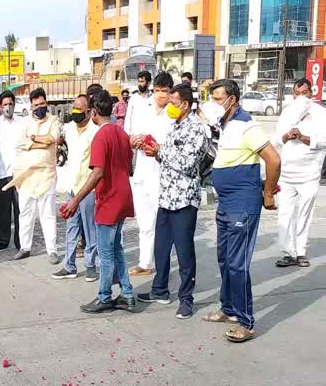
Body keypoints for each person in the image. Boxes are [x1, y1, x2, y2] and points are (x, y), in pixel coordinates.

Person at [201, 79, 280, 343]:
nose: (213, 104)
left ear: (231, 99)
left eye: (216, 98)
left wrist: (267, 193)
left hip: (242, 205)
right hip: (226, 204)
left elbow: (273, 159)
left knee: (237, 264)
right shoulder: (226, 125)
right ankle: (229, 309)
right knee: (224, 259)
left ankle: (246, 322)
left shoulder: (247, 126)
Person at [137, 84, 209, 319]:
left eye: (174, 103)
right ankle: (160, 289)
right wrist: (156, 152)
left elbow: (187, 163)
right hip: (167, 196)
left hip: (184, 198)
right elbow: (170, 157)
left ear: (185, 105)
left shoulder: (196, 129)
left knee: (184, 251)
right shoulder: (174, 126)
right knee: (161, 247)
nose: (170, 107)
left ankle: (186, 299)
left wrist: (161, 151)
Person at [63, 90, 135, 314]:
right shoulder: (121, 133)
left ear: (93, 112)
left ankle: (104, 295)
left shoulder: (100, 136)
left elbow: (97, 173)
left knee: (105, 253)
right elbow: (130, 166)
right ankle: (127, 293)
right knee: (116, 248)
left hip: (109, 199)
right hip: (123, 195)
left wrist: (75, 199)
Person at [273, 78, 326, 268]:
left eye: (304, 93)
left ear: (311, 93)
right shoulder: (287, 112)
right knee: (285, 214)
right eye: (297, 93)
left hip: (309, 174)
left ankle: (301, 252)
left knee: (304, 214)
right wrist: (287, 136)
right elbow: (276, 139)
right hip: (287, 174)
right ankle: (287, 252)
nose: (301, 97)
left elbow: (324, 141)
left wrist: (303, 137)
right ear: (293, 94)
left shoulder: (320, 113)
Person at [126, 71, 174, 277]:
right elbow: (130, 133)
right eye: (158, 90)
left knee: (162, 222)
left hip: (163, 173)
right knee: (144, 221)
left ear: (171, 92)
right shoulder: (142, 108)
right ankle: (145, 262)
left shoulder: (174, 114)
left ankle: (163, 265)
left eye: (165, 91)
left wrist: (159, 147)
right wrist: (134, 140)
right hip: (142, 170)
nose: (160, 95)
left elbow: (177, 145)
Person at [7, 88, 60, 263]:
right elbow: (21, 142)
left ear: (47, 103)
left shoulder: (53, 120)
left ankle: (52, 250)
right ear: (31, 106)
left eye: (42, 104)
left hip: (47, 175)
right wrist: (40, 142)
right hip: (27, 175)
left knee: (48, 214)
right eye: (36, 105)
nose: (40, 107)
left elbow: (52, 139)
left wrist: (33, 139)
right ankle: (25, 247)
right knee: (25, 212)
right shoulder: (24, 122)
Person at [52, 94, 99, 281]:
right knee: (71, 226)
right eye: (74, 108)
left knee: (90, 229)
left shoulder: (95, 131)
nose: (75, 112)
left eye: (79, 109)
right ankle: (69, 266)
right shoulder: (70, 128)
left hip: (88, 188)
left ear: (89, 112)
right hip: (72, 186)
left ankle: (90, 265)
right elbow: (60, 141)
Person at [0, 91, 21, 252]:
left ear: (14, 104)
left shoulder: (22, 123)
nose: (8, 107)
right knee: (3, 208)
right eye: (5, 105)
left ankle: (20, 240)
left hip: (19, 174)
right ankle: (3, 239)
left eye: (10, 104)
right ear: (1, 107)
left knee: (19, 208)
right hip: (1, 173)